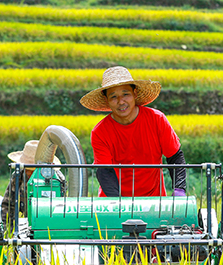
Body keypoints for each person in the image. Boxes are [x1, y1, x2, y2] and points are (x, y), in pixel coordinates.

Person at [79, 66, 186, 198]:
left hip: (153, 202)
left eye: (125, 94)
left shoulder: (157, 120)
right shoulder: (100, 132)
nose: (121, 101)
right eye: (113, 97)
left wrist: (179, 189)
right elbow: (105, 171)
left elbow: (175, 156)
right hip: (114, 200)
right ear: (107, 100)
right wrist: (119, 204)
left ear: (134, 94)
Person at [1, 140, 62, 229]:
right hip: (28, 225)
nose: (29, 174)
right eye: (28, 170)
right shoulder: (19, 176)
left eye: (33, 170)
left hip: (51, 225)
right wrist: (10, 231)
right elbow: (8, 205)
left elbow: (63, 208)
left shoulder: (56, 179)